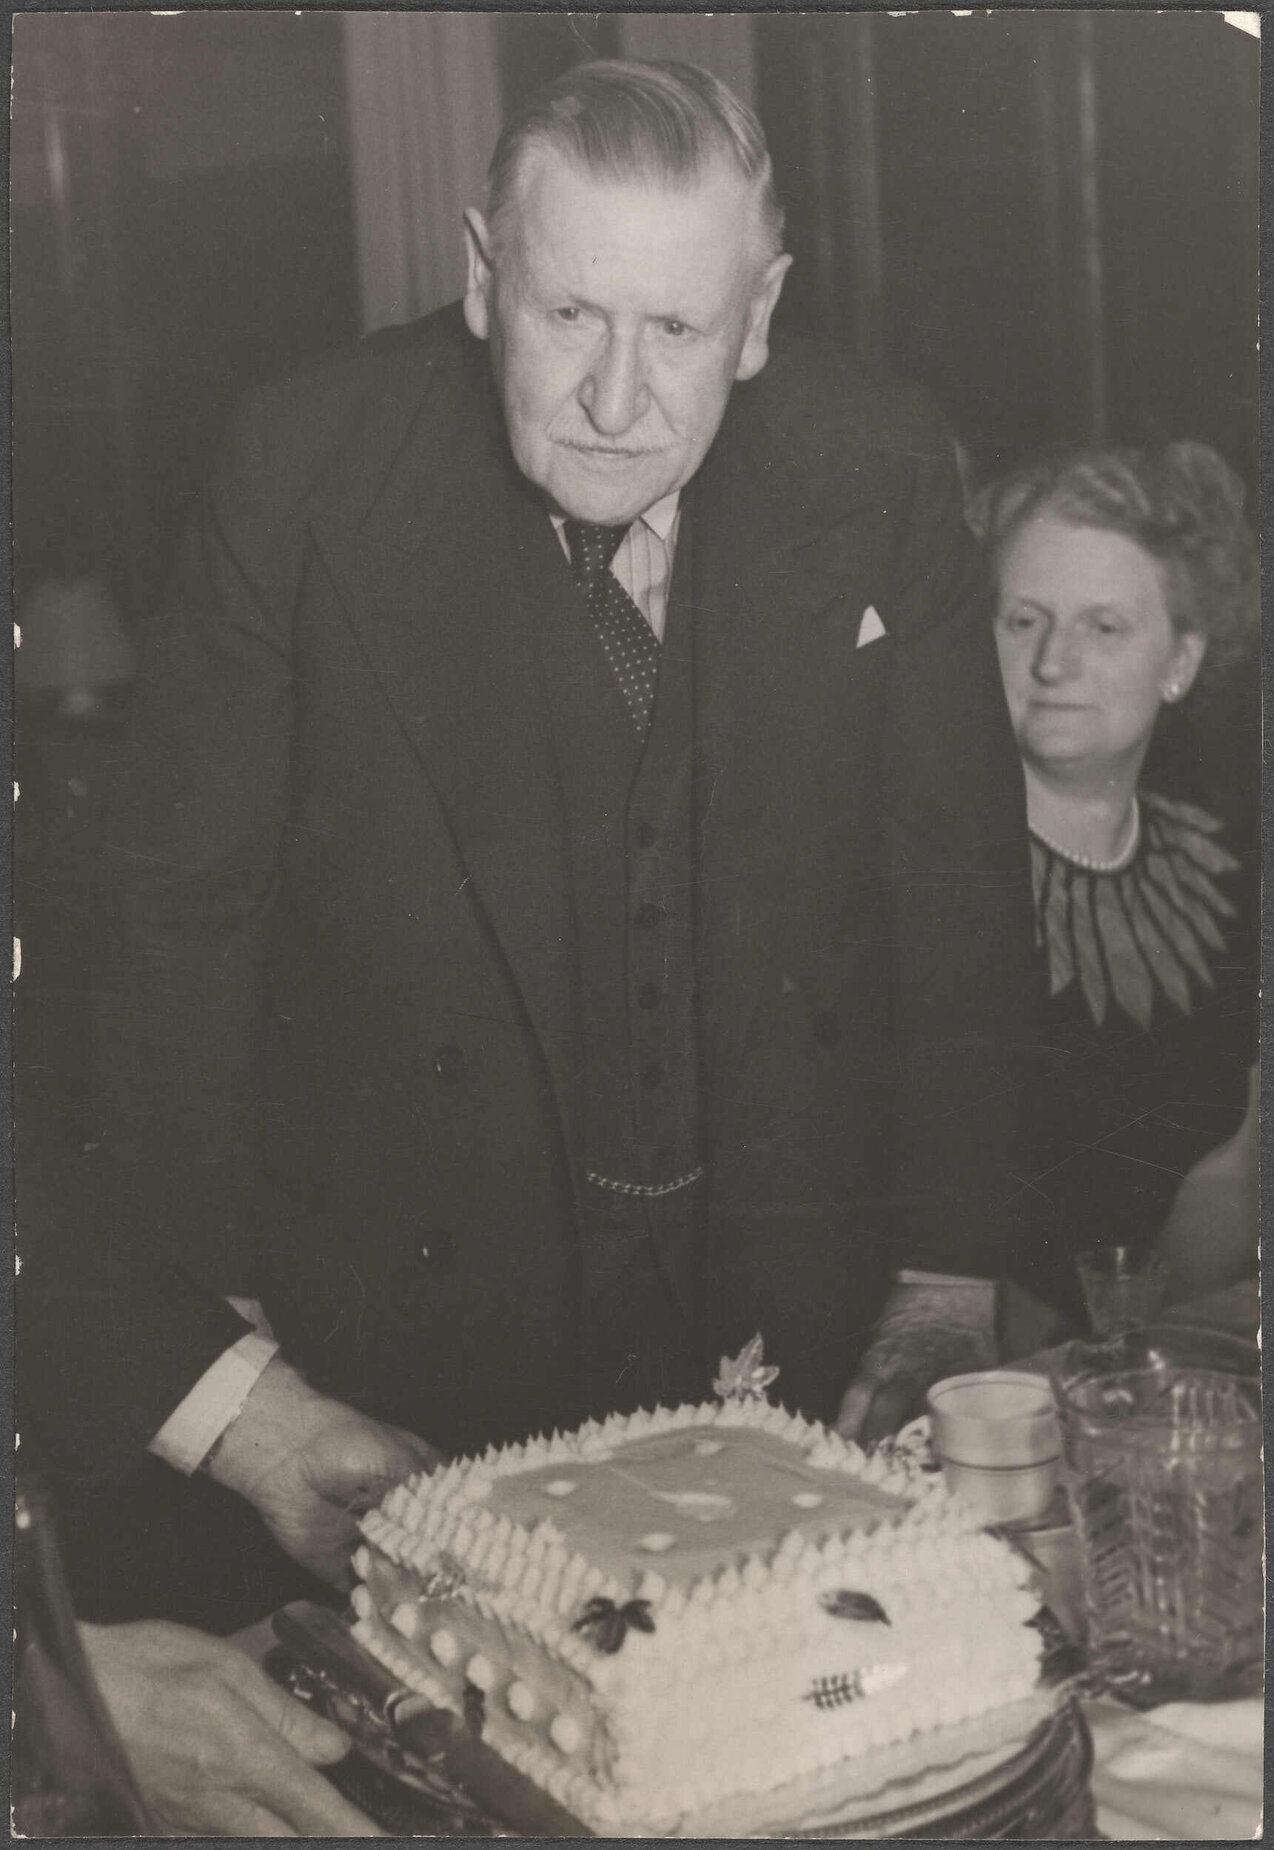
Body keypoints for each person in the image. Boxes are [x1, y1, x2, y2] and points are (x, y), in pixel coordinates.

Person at [41, 59, 1050, 1619]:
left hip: (787, 1334)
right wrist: (224, 1356)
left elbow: (957, 893)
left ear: (761, 314)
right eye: (570, 314)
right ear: (478, 276)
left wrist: (943, 1272)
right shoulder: (301, 470)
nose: (616, 398)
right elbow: (181, 932)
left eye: (679, 330)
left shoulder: (881, 465)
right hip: (406, 1343)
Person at [970, 442, 1259, 1312]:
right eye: (1024, 621)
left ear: (1180, 661)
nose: (1055, 663)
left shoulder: (1233, 874)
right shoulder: (918, 876)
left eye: (1104, 626)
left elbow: (1236, 1163)